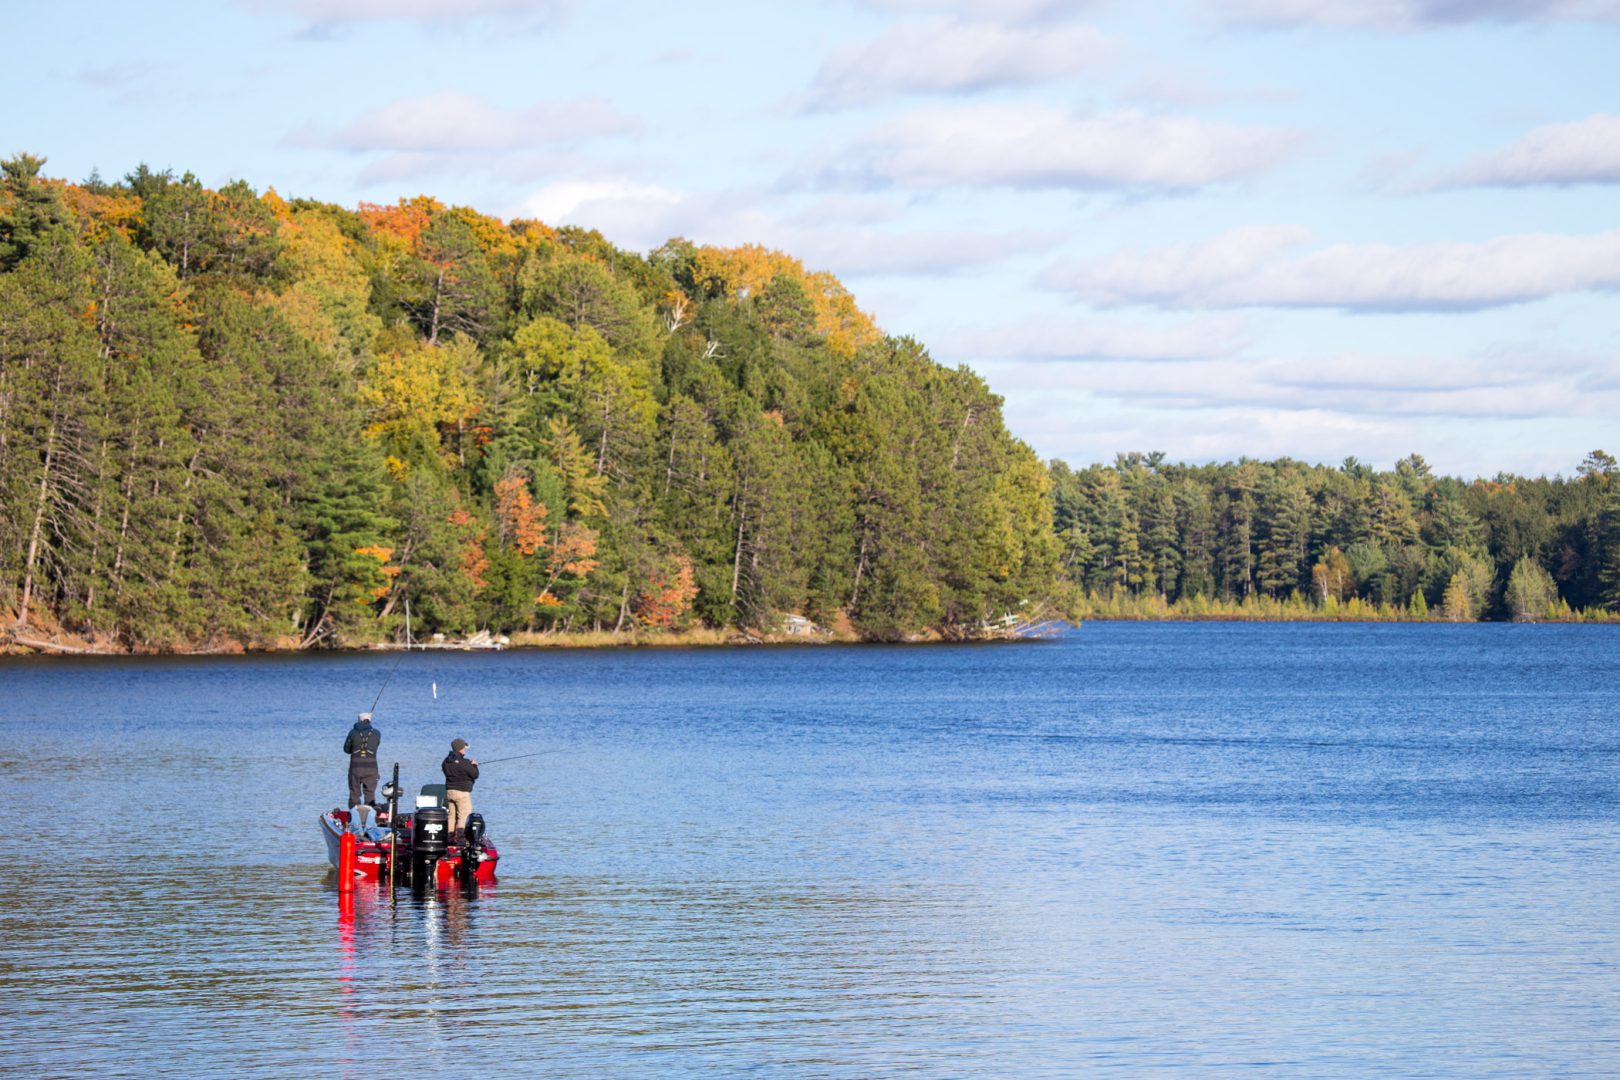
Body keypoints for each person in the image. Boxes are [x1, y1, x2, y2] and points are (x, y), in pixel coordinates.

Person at [343, 712, 381, 833]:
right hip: (372, 768)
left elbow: (346, 749)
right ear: (369, 720)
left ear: (358, 720)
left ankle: (355, 823)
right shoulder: (376, 733)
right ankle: (369, 824)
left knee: (354, 793)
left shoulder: (352, 733)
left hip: (355, 768)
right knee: (370, 794)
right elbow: (376, 745)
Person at [442, 737, 479, 838]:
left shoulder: (446, 761)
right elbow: (475, 775)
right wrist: (474, 765)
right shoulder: (465, 762)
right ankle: (461, 838)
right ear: (460, 749)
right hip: (462, 793)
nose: (465, 750)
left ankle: (449, 837)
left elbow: (446, 770)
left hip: (450, 792)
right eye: (464, 748)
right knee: (464, 815)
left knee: (451, 816)